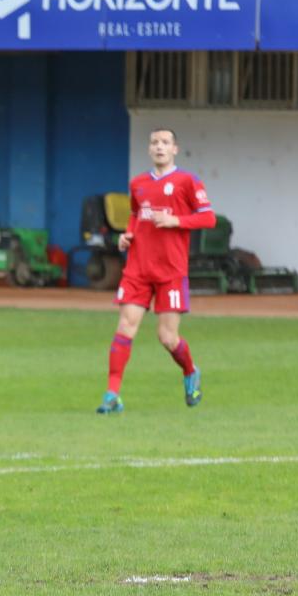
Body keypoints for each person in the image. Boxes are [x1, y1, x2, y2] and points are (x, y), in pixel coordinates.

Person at [97, 128, 214, 414]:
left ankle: (190, 371)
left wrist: (175, 220)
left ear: (175, 148)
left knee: (167, 338)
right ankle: (112, 395)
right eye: (154, 143)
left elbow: (208, 218)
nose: (159, 147)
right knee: (125, 326)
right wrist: (127, 235)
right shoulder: (137, 184)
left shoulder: (188, 181)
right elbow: (137, 215)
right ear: (149, 149)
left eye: (165, 142)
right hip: (138, 268)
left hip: (171, 271)